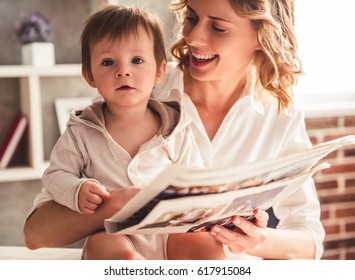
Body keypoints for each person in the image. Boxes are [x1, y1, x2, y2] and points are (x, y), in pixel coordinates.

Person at [24, 0, 325, 260]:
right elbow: (37, 233)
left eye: (218, 28)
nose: (193, 38)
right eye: (192, 18)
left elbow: (309, 238)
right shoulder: (134, 86)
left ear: (263, 36)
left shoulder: (278, 115)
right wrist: (114, 205)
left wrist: (259, 241)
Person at [38, 5, 210, 260]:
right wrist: (77, 189)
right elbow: (55, 175)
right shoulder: (81, 131)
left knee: (205, 245)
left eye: (137, 60)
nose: (123, 71)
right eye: (108, 62)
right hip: (113, 231)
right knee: (107, 248)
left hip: (171, 231)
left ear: (160, 71)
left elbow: (197, 179)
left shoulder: (176, 127)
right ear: (90, 76)